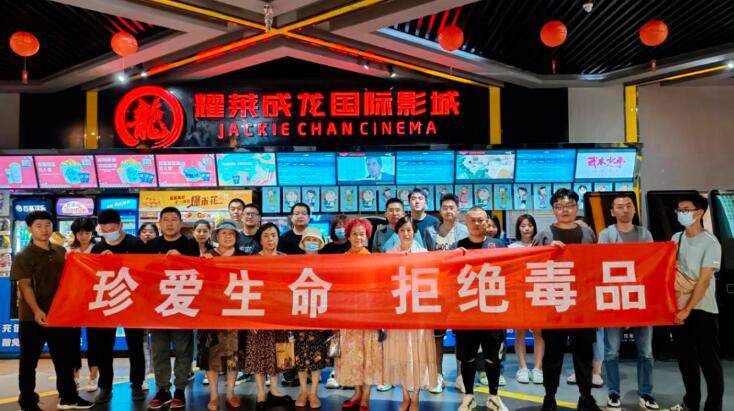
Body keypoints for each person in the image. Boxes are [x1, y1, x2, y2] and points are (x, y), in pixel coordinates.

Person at [12, 210, 94, 410]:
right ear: (29, 229)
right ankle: (27, 401)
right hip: (33, 318)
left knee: (64, 360)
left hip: (60, 315)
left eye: (47, 225)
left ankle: (69, 397)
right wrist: (37, 310)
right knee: (29, 362)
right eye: (38, 226)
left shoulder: (60, 251)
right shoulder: (24, 255)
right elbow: (24, 285)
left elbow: (71, 279)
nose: (44, 229)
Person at [532, 188, 600, 411]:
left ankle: (586, 396)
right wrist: (546, 251)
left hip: (583, 304)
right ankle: (549, 397)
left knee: (584, 353)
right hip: (555, 305)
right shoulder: (545, 235)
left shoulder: (588, 233)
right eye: (559, 206)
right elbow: (530, 263)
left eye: (570, 205)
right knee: (553, 354)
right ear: (553, 210)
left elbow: (598, 263)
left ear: (577, 207)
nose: (565, 210)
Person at [597, 195, 659, 411]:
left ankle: (646, 394)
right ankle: (613, 393)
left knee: (646, 352)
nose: (624, 210)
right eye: (620, 207)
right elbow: (601, 264)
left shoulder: (645, 234)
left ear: (634, 210)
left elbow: (651, 263)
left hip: (640, 299)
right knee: (612, 352)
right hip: (614, 300)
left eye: (628, 206)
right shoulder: (606, 235)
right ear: (612, 212)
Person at [669, 194, 724, 411]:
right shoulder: (676, 238)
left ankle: (713, 406)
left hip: (703, 309)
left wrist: (687, 309)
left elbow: (704, 280)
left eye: (686, 209)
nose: (681, 213)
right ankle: (691, 402)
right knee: (686, 360)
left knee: (709, 362)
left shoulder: (711, 242)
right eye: (679, 210)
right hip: (678, 307)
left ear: (699, 212)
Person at [87, 209, 147, 403]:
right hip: (108, 302)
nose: (109, 233)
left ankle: (137, 384)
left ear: (121, 225)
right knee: (104, 347)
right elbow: (93, 277)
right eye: (104, 230)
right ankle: (105, 386)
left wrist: (117, 261)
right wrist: (102, 263)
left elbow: (145, 270)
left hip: (132, 301)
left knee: (135, 346)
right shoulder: (97, 248)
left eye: (112, 229)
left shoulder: (135, 244)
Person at [144, 207, 200, 410]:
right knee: (159, 350)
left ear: (180, 222)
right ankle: (162, 390)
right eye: (165, 219)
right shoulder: (151, 245)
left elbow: (199, 271)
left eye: (174, 219)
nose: (169, 223)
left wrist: (182, 259)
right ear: (159, 223)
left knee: (183, 350)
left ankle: (180, 390)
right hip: (158, 306)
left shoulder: (190, 244)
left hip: (182, 304)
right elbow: (143, 271)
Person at [455, 206, 508, 411]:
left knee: (493, 357)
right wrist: (455, 257)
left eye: (481, 220)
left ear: (487, 222)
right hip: (466, 311)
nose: (477, 224)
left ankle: (494, 397)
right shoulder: (457, 247)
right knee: (467, 357)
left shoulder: (499, 246)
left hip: (493, 311)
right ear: (466, 223)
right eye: (472, 220)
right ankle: (469, 396)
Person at [383, 216, 437, 411]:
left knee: (418, 353)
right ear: (397, 233)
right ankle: (405, 395)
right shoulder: (389, 254)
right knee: (401, 354)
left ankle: (416, 397)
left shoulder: (424, 254)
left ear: (414, 232)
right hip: (397, 312)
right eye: (402, 230)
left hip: (418, 312)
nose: (406, 233)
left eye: (409, 230)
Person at [335, 218, 385, 409]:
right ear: (348, 236)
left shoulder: (374, 260)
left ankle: (366, 397)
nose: (358, 237)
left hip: (369, 314)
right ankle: (357, 392)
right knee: (352, 356)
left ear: (367, 236)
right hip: (348, 314)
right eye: (354, 234)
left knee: (369, 355)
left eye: (362, 234)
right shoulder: (341, 259)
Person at [244, 222, 293, 410]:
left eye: (273, 235)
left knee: (278, 351)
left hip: (280, 312)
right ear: (260, 239)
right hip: (258, 312)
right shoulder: (252, 260)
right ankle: (260, 393)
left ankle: (274, 388)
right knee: (259, 352)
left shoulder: (285, 258)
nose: (270, 239)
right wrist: (250, 317)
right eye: (266, 236)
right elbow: (247, 287)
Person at [423, 194, 468, 394]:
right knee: (437, 335)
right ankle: (437, 375)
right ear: (440, 211)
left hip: (460, 288)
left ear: (458, 210)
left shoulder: (465, 230)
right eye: (445, 207)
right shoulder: (430, 231)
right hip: (437, 288)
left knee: (461, 334)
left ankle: (461, 375)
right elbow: (424, 257)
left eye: (452, 207)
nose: (448, 211)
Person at [198, 220, 246, 411]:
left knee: (234, 353)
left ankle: (231, 393)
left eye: (231, 233)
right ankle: (213, 395)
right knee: (211, 354)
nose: (228, 236)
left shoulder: (244, 258)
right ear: (216, 236)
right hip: (211, 313)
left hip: (235, 312)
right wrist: (203, 263)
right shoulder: (207, 256)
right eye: (224, 233)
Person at [293, 228, 333, 408]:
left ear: (320, 244)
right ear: (302, 243)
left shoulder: (327, 264)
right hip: (299, 314)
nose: (311, 243)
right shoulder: (293, 263)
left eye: (315, 240)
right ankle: (303, 391)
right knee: (300, 357)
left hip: (320, 315)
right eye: (308, 239)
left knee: (317, 356)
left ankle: (314, 392)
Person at [509, 214, 544, 385]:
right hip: (519, 294)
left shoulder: (541, 246)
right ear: (518, 228)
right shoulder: (511, 248)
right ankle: (522, 367)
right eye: (523, 226)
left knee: (538, 332)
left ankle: (538, 368)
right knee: (520, 332)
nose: (526, 228)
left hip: (537, 293)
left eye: (529, 225)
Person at [67, 217, 99, 392]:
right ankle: (75, 374)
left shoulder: (98, 249)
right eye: (80, 233)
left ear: (92, 233)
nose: (84, 236)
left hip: (95, 299)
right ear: (75, 234)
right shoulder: (69, 251)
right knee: (72, 339)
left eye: (87, 232)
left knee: (94, 338)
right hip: (75, 299)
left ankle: (93, 376)